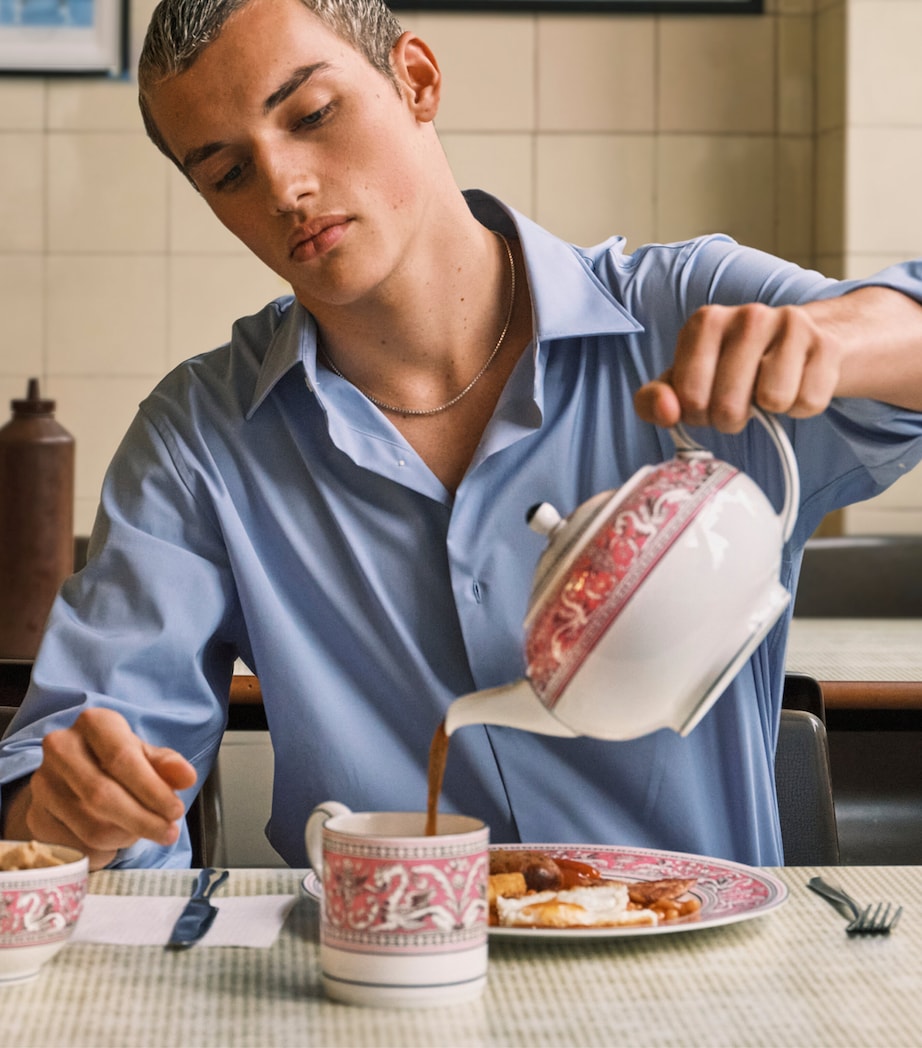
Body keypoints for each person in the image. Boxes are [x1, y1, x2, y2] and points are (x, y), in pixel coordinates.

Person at [3, 0, 922, 872]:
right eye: (228, 173)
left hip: (699, 988)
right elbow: (66, 767)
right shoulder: (198, 441)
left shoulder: (679, 309)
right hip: (370, 991)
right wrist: (67, 813)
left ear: (416, 78)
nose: (285, 185)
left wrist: (840, 337)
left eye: (313, 113)